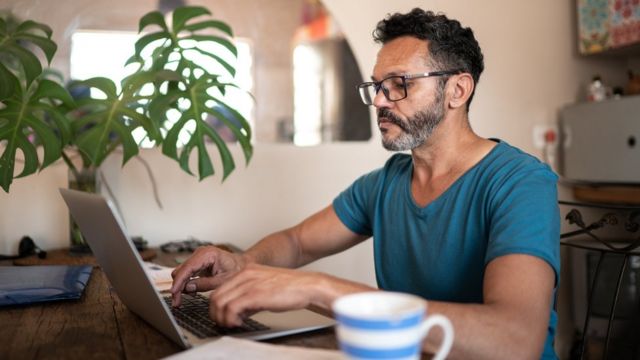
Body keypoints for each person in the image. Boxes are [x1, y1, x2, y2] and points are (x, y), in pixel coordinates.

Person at [171, 8, 560, 360]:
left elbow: (515, 340)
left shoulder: (520, 183)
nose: (379, 102)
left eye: (399, 83)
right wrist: (243, 262)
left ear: (457, 90)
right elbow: (297, 242)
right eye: (377, 86)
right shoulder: (385, 184)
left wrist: (317, 289)